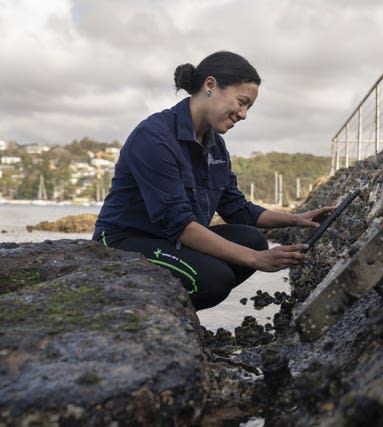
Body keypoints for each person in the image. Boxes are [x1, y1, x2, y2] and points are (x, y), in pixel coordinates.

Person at [93, 51, 333, 310]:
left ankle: (175, 318)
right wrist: (257, 260)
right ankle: (153, 318)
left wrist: (297, 219)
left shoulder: (215, 145)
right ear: (210, 86)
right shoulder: (154, 137)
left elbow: (236, 209)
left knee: (252, 239)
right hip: (124, 242)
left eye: (248, 107)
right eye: (241, 102)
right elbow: (179, 224)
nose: (243, 114)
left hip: (170, 240)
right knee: (214, 279)